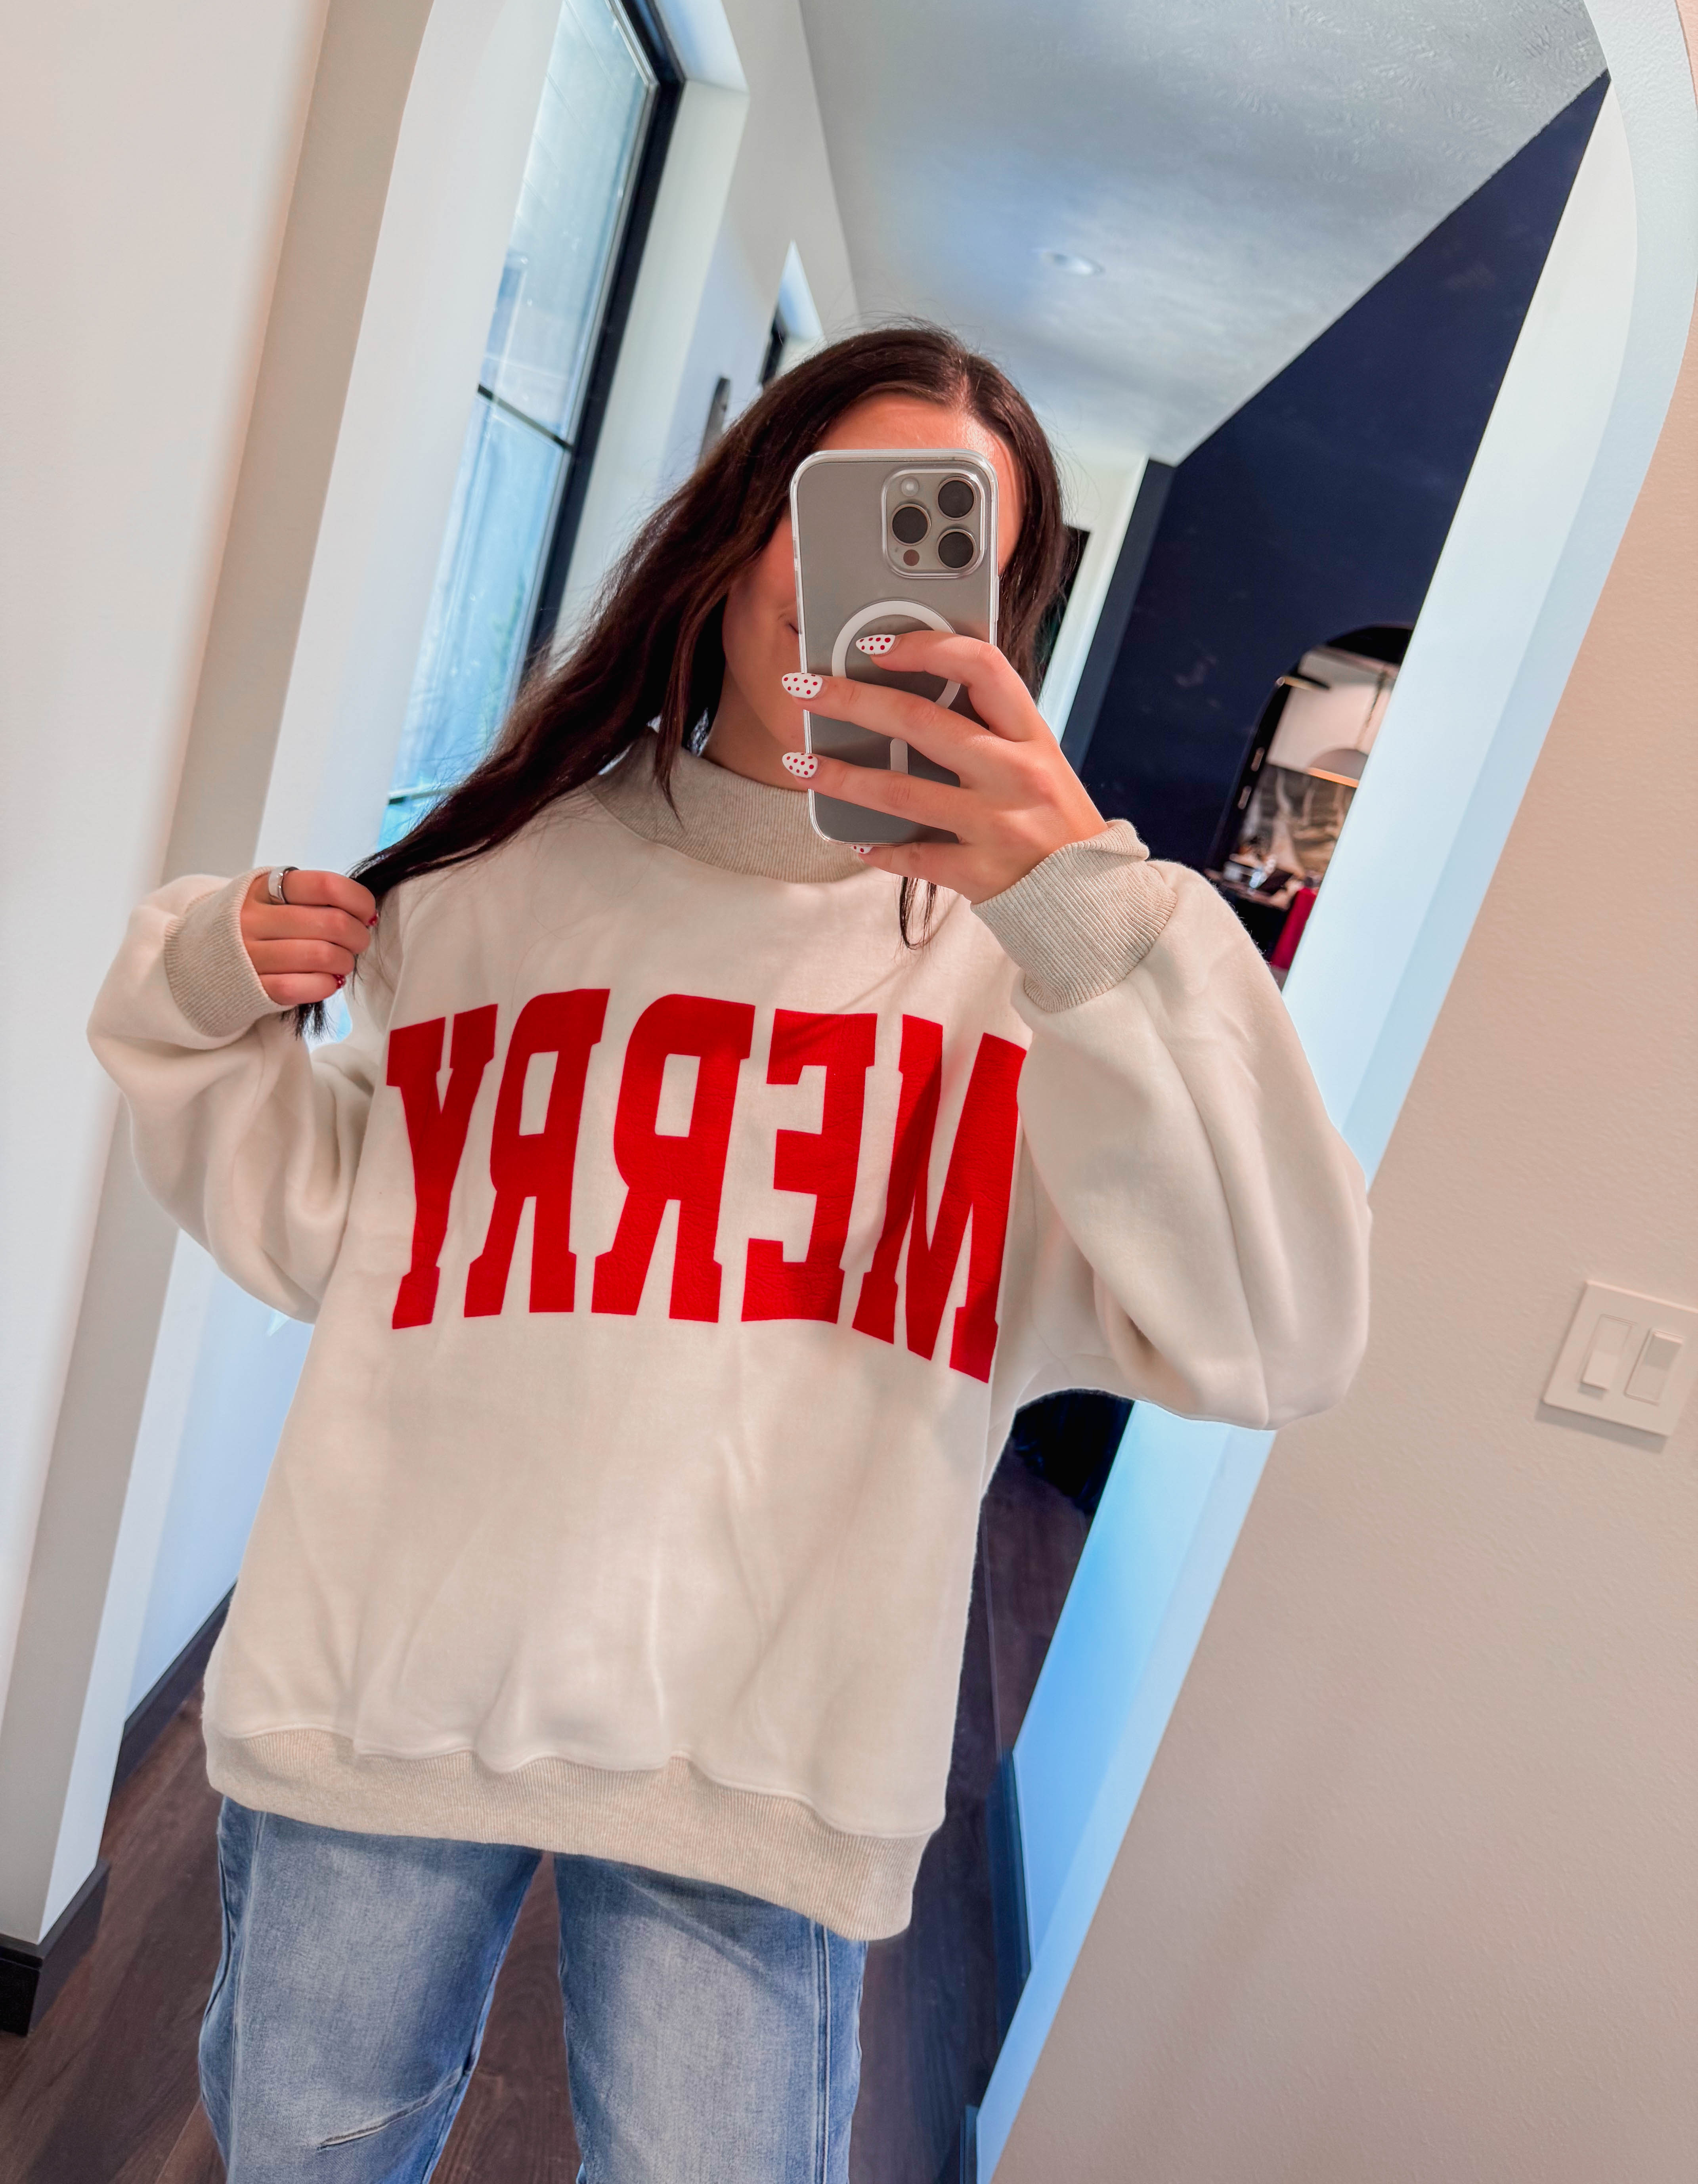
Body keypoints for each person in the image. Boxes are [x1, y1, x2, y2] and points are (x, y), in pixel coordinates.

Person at [90, 326, 1370, 2183]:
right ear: (736, 524)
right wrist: (201, 988)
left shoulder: (1045, 973)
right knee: (307, 2149)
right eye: (835, 506)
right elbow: (331, 1239)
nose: (862, 579)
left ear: (997, 619)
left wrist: (1084, 908)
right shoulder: (499, 881)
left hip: (769, 1738)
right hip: (393, 1675)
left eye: (946, 539)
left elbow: (1281, 1332)